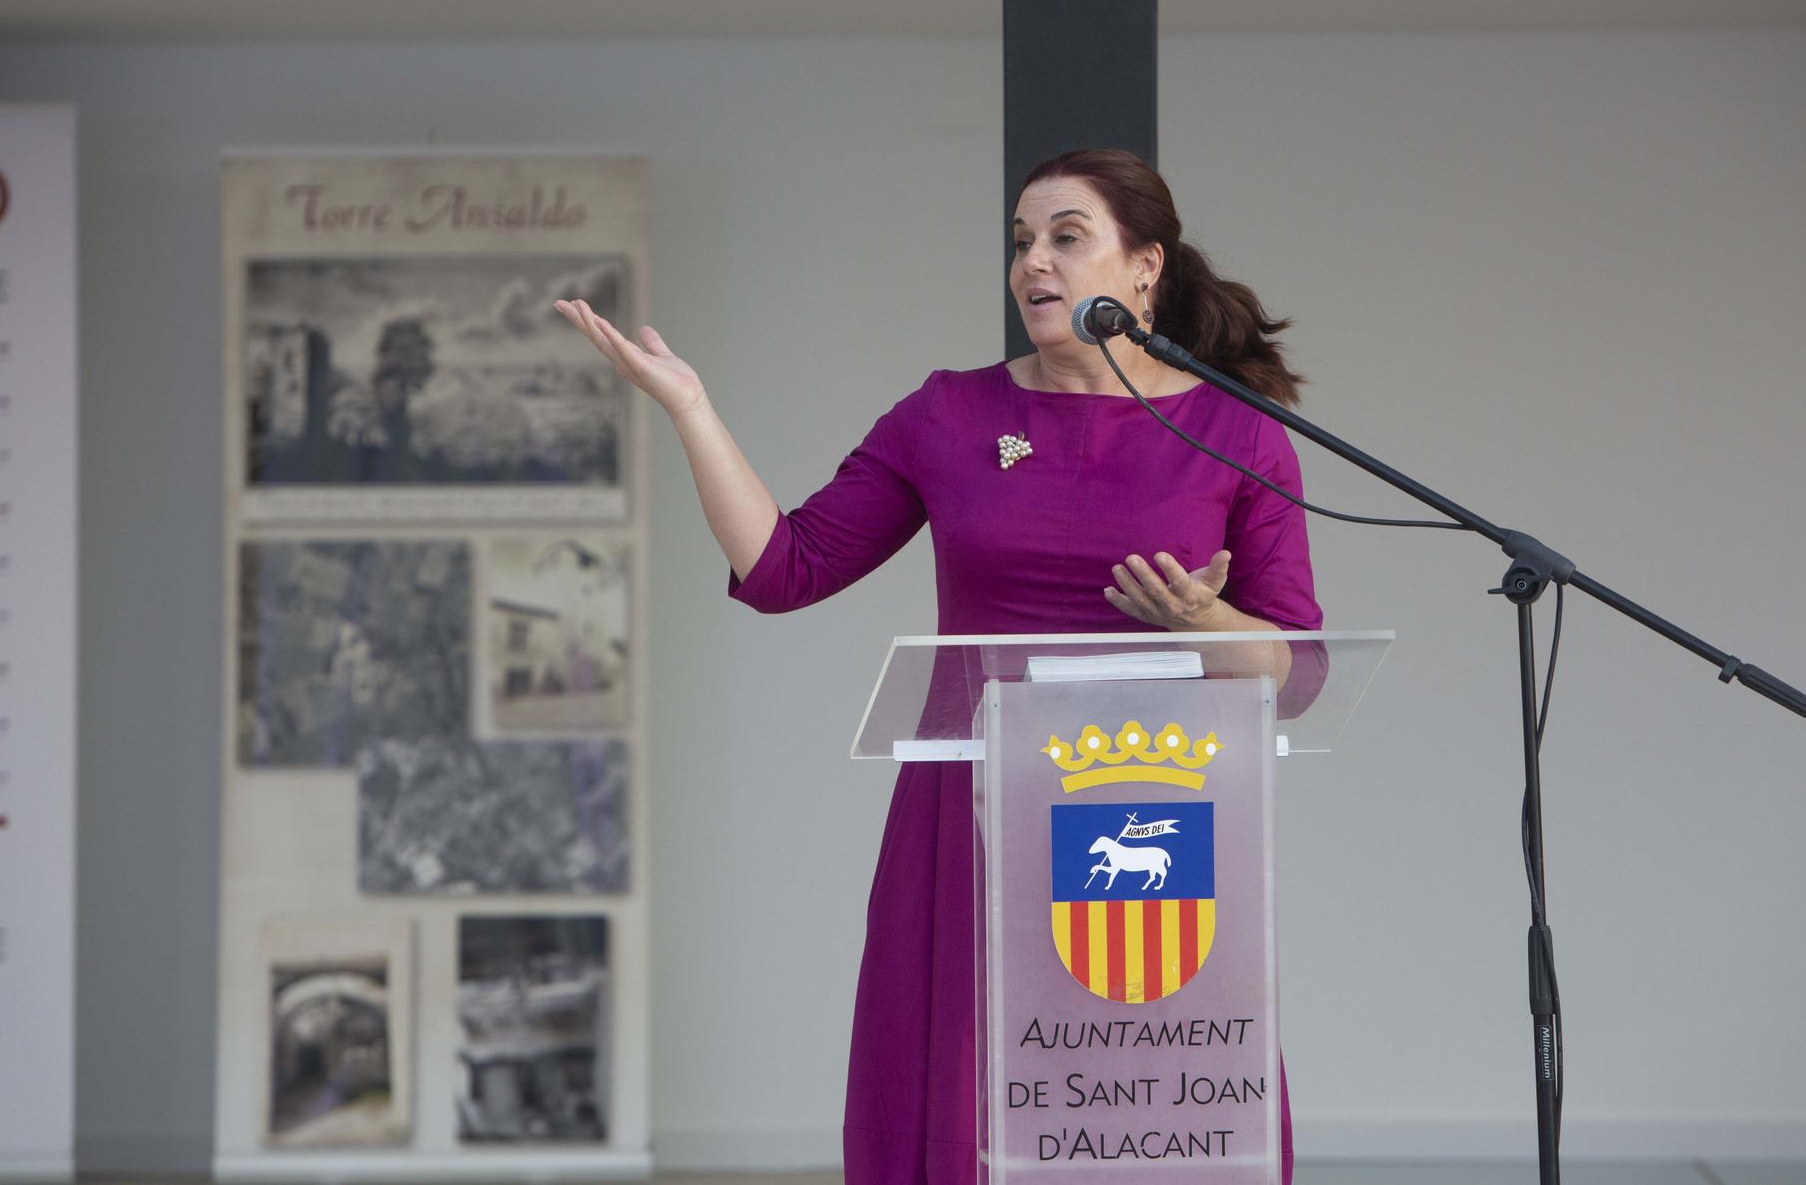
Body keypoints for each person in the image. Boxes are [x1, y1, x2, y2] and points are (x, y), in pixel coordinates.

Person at [557, 147, 1321, 1183]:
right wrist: (692, 409)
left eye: (1064, 236)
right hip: (973, 815)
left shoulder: (1236, 432)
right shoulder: (949, 416)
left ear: (1143, 269)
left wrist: (1205, 620)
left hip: (1158, 812)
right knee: (972, 1106)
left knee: (1151, 1106)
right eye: (1019, 241)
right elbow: (785, 565)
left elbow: (1294, 663)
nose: (1031, 263)